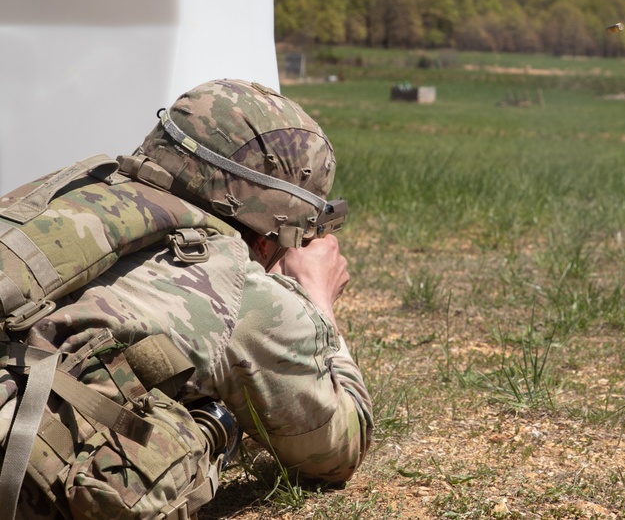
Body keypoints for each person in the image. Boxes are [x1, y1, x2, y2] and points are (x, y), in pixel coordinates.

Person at [0, 80, 372, 520]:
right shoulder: (240, 288)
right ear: (279, 224)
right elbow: (336, 450)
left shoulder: (72, 190)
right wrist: (316, 300)